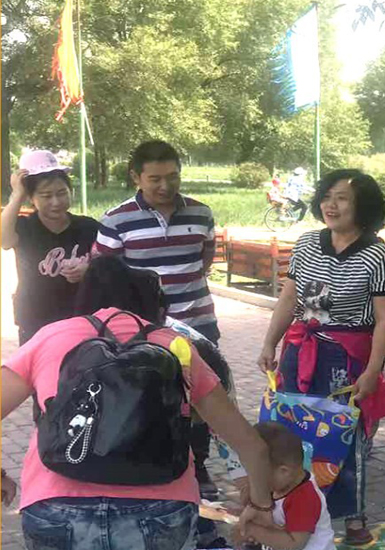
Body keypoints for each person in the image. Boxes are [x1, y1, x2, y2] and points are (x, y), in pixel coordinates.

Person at [0, 256, 274, 550]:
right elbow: (250, 445)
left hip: (56, 506)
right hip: (160, 510)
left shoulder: (51, 336)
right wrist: (261, 506)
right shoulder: (174, 344)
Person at [256, 169, 385, 545]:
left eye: (342, 198)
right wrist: (270, 343)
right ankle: (287, 508)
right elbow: (290, 298)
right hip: (300, 350)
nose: (331, 205)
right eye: (327, 196)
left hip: (346, 359)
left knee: (344, 434)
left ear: (362, 206)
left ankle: (353, 516)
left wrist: (373, 370)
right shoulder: (307, 244)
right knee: (291, 432)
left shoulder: (378, 254)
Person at [94, 139, 222, 498]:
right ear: (136, 177)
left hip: (198, 324)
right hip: (143, 332)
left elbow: (204, 260)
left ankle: (198, 466)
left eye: (173, 176)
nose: (166, 186)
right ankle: (152, 467)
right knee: (148, 398)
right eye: (155, 179)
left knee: (201, 398)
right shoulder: (116, 220)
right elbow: (106, 278)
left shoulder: (201, 213)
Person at [0, 151, 99, 345]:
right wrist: (17, 195)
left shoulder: (88, 227)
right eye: (46, 196)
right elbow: (4, 241)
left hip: (81, 320)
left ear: (71, 191)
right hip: (34, 321)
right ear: (31, 198)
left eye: (62, 193)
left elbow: (106, 264)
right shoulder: (24, 227)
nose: (56, 202)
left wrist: (89, 270)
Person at [233, 422, 335, 550]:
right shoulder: (278, 484)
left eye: (256, 475)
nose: (252, 479)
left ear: (283, 471)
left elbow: (294, 544)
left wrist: (254, 531)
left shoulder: (304, 498)